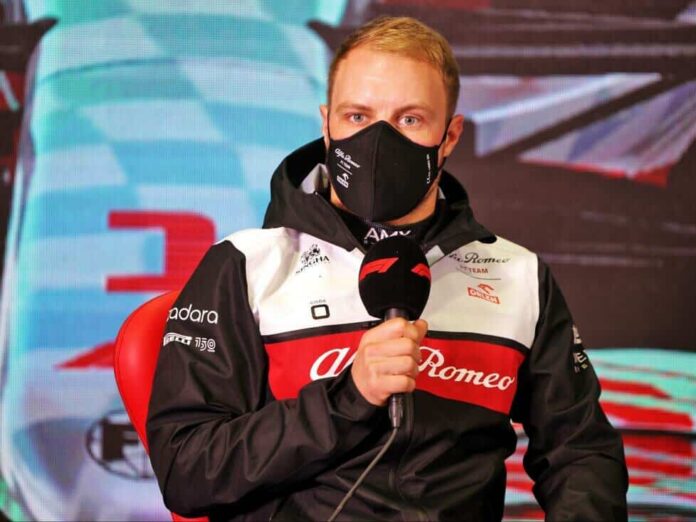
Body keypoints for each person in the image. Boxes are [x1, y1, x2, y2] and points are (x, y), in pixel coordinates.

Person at [146, 16, 628, 521]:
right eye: (357, 116)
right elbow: (186, 469)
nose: (378, 139)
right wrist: (348, 397)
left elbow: (581, 453)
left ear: (450, 136)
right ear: (326, 124)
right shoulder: (248, 265)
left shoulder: (518, 275)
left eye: (410, 119)